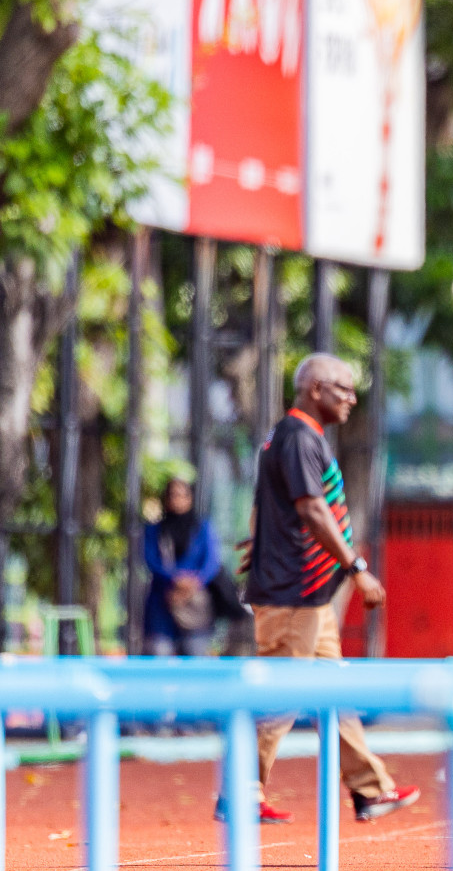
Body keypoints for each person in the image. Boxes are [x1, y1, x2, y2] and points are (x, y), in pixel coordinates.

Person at [233, 353, 418, 825]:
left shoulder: (296, 437)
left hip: (305, 594)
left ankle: (369, 789)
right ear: (316, 388)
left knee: (334, 688)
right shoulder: (296, 436)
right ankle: (240, 790)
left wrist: (259, 541)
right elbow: (312, 510)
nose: (352, 398)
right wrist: (356, 567)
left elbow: (264, 504)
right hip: (291, 592)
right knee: (282, 695)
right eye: (344, 388)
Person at [143, 477, 221, 657]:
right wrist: (175, 580)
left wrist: (193, 582)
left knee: (195, 656)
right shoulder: (155, 530)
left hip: (194, 605)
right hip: (163, 601)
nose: (176, 500)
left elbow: (212, 561)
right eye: (172, 495)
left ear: (190, 498)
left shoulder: (202, 528)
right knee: (159, 653)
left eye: (181, 495)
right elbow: (151, 560)